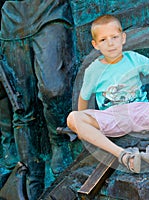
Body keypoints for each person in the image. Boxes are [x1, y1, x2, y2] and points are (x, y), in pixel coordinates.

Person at [67, 14, 149, 173]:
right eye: (103, 40)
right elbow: (83, 99)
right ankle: (124, 156)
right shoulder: (93, 70)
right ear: (95, 45)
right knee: (73, 118)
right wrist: (83, 129)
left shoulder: (133, 58)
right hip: (113, 117)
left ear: (123, 38)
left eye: (114, 37)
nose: (110, 43)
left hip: (142, 111)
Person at [0, 1, 75, 198]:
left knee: (54, 88)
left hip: (50, 11)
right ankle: (30, 174)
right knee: (21, 104)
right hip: (11, 22)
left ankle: (60, 140)